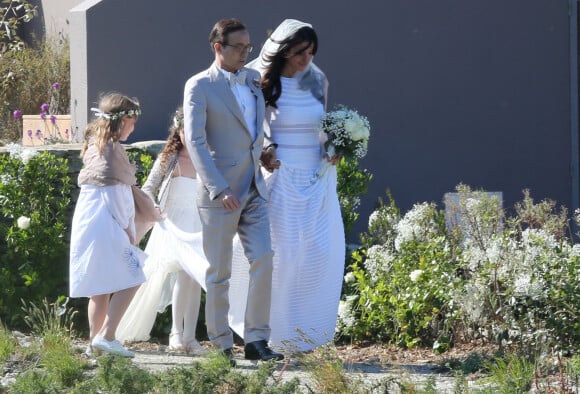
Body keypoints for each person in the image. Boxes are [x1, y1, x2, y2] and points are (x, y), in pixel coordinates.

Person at [183, 18, 283, 364]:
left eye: (247, 47)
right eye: (238, 47)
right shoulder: (198, 86)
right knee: (219, 272)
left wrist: (266, 152)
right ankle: (221, 344)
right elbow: (194, 141)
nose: (245, 53)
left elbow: (254, 130)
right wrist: (218, 187)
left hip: (254, 186)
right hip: (219, 193)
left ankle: (256, 340)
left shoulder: (253, 80)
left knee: (264, 258)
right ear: (218, 48)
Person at [245, 19, 346, 353]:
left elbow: (323, 125)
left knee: (320, 253)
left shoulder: (318, 80)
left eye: (312, 51)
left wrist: (334, 148)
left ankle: (309, 333)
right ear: (284, 50)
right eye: (301, 51)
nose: (307, 58)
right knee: (285, 256)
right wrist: (263, 152)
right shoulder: (261, 82)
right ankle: (273, 334)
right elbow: (252, 129)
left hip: (317, 178)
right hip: (282, 175)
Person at [69, 92, 160, 357]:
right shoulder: (112, 152)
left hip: (87, 224)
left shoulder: (97, 146)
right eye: (132, 122)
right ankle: (107, 336)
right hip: (106, 225)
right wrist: (130, 231)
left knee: (100, 289)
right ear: (122, 121)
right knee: (134, 275)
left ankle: (93, 345)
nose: (134, 127)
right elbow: (117, 198)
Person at [115, 107, 208, 355]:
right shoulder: (170, 159)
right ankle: (177, 333)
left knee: (195, 277)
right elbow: (147, 188)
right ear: (178, 131)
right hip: (173, 225)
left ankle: (190, 336)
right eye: (187, 130)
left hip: (197, 226)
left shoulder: (206, 159)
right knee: (182, 274)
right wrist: (155, 209)